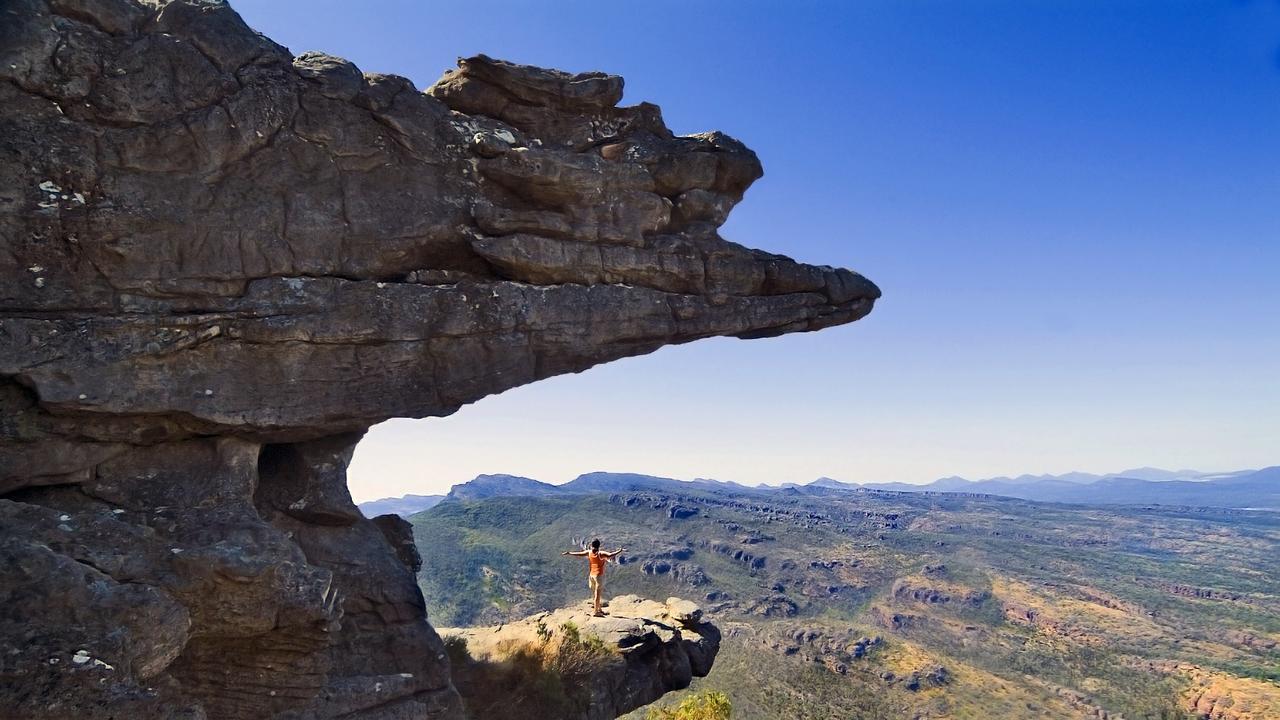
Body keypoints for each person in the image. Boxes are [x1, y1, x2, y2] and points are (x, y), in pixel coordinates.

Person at [562, 539, 625, 616]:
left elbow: (580, 554)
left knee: (595, 594)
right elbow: (610, 555)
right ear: (599, 546)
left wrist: (569, 553)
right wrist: (620, 551)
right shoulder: (600, 553)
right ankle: (596, 612)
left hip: (591, 575)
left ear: (592, 545)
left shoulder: (589, 552)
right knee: (597, 594)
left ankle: (599, 609)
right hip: (598, 576)